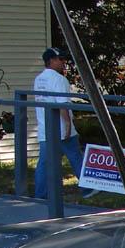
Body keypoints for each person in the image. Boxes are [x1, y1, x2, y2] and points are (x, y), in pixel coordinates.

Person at [33, 47, 84, 199]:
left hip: (45, 129)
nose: (63, 62)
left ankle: (41, 195)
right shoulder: (59, 79)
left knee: (44, 163)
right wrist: (68, 127)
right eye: (60, 59)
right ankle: (87, 188)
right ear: (51, 61)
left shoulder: (38, 79)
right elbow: (63, 106)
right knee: (76, 156)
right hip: (61, 129)